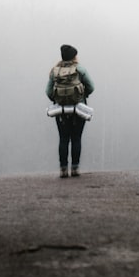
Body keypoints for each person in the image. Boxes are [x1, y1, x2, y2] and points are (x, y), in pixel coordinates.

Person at [46, 44, 95, 178]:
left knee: (63, 138)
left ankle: (63, 169)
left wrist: (57, 99)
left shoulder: (55, 71)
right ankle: (74, 168)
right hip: (78, 109)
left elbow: (48, 92)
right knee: (76, 138)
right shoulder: (80, 69)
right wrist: (83, 96)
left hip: (61, 110)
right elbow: (91, 86)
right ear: (74, 56)